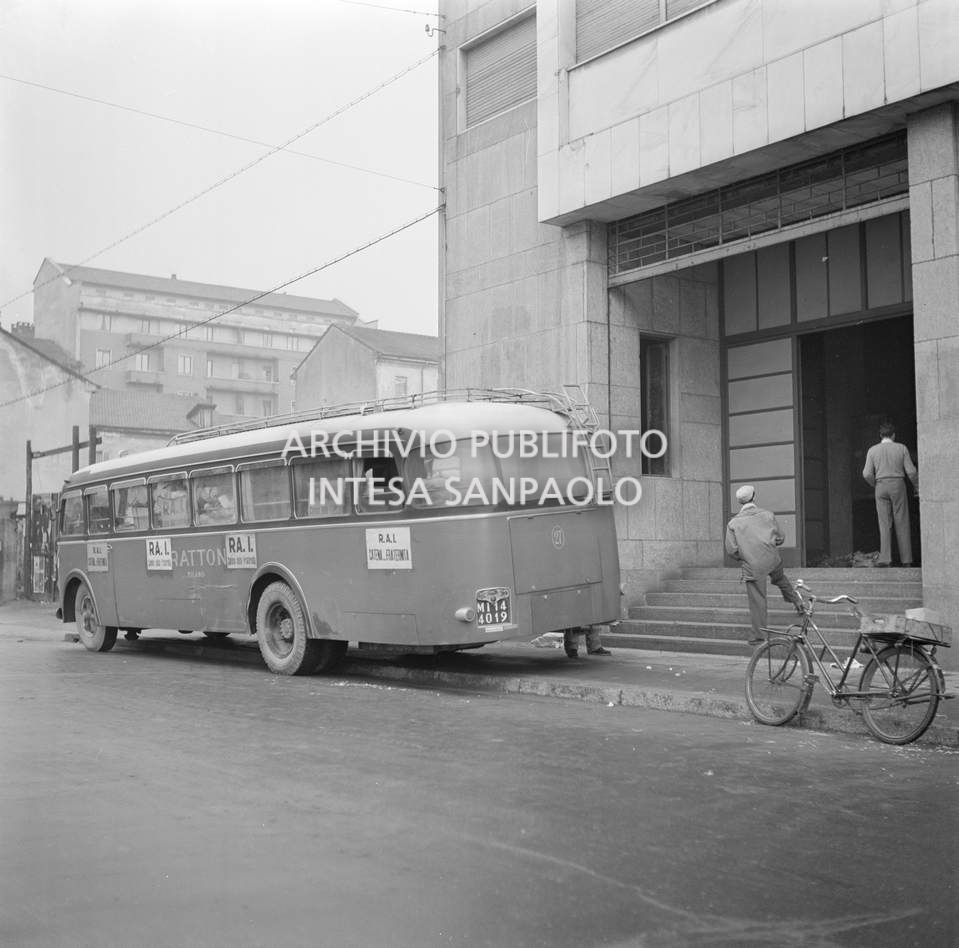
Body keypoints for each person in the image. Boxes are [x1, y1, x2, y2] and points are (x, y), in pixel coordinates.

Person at [724, 485, 803, 645]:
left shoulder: (733, 523)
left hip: (753, 565)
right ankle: (799, 603)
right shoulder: (768, 515)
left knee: (758, 600)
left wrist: (746, 555)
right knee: (781, 580)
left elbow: (731, 550)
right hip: (772, 559)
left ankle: (758, 637)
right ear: (754, 496)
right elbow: (780, 537)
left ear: (739, 502)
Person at [862, 420, 918, 567]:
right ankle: (906, 560)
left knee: (884, 523)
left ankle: (885, 559)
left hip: (880, 485)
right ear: (893, 435)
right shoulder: (902, 448)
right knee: (902, 521)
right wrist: (917, 486)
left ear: (880, 435)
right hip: (898, 484)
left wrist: (876, 484)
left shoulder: (872, 450)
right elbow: (911, 472)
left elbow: (866, 473)